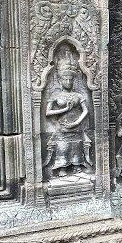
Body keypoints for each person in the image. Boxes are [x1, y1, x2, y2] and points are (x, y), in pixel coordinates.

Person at [45, 44, 92, 177]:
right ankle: (62, 168)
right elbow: (48, 113)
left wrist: (77, 123)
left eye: (71, 79)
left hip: (76, 127)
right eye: (65, 79)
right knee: (63, 148)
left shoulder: (78, 95)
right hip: (62, 128)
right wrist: (64, 109)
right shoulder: (55, 96)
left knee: (77, 148)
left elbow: (86, 111)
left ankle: (77, 166)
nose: (69, 81)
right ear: (60, 80)